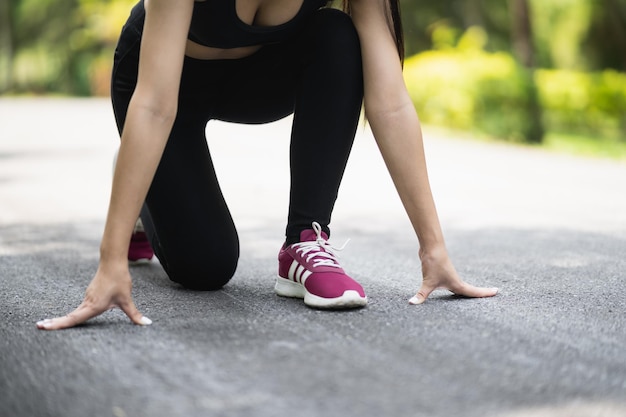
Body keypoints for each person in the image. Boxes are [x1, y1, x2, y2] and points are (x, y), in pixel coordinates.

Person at [36, 0, 498, 330]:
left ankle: (305, 241)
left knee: (339, 36)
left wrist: (433, 248)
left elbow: (391, 102)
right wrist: (110, 260)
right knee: (206, 268)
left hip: (258, 80)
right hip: (161, 84)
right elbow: (155, 104)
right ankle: (145, 186)